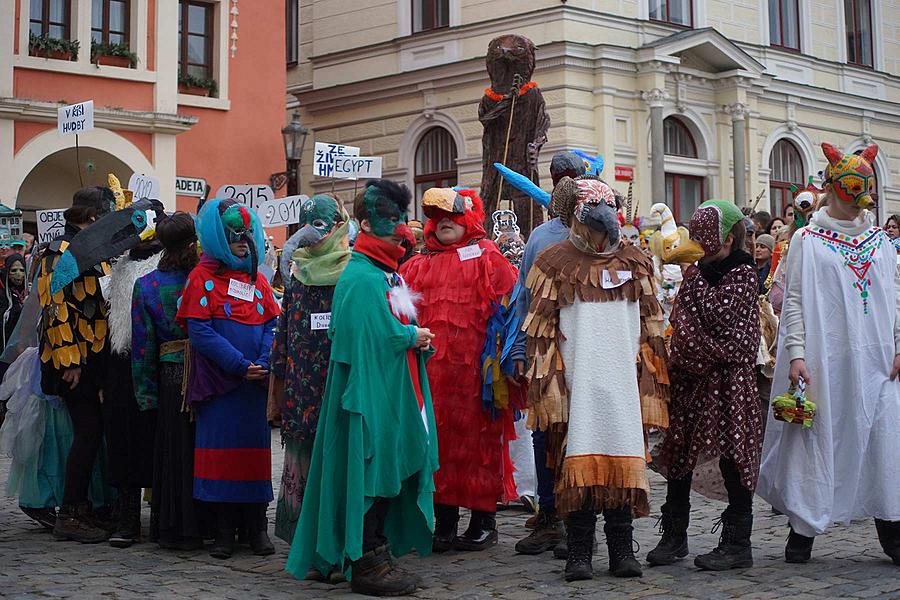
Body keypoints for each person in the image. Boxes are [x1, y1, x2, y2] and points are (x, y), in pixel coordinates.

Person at [285, 179, 438, 597]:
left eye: (399, 218)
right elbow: (360, 337)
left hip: (390, 390)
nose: (399, 228)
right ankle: (366, 558)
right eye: (388, 218)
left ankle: (376, 550)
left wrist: (413, 337)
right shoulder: (360, 277)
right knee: (369, 469)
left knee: (386, 467)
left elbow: (387, 327)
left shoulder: (382, 273)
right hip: (366, 398)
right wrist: (409, 337)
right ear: (366, 222)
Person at [758, 143, 900, 567]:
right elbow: (796, 299)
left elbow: (895, 296)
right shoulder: (807, 239)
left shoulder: (880, 240)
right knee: (817, 435)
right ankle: (803, 528)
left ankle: (891, 526)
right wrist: (797, 353)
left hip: (877, 359)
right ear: (835, 190)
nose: (859, 203)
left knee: (881, 438)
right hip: (824, 354)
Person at [524, 176, 669, 581]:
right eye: (593, 227)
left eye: (607, 228)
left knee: (623, 458)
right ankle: (579, 552)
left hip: (623, 381)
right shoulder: (555, 262)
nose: (601, 236)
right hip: (577, 381)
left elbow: (651, 325)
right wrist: (548, 382)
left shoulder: (636, 262)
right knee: (575, 462)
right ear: (576, 220)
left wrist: (650, 375)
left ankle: (622, 547)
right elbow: (542, 329)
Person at [400, 187, 518, 553]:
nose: (444, 222)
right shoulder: (419, 263)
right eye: (437, 217)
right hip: (432, 376)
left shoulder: (487, 255)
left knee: (477, 445)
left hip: (474, 378)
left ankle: (484, 520)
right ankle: (445, 520)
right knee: (440, 445)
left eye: (451, 215)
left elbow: (512, 304)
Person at [649, 199, 763, 571]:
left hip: (731, 382)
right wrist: (696, 341)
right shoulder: (698, 274)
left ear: (729, 238)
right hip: (692, 380)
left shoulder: (744, 274)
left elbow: (727, 328)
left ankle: (737, 542)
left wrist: (697, 339)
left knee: (733, 457)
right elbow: (681, 327)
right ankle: (674, 534)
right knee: (680, 455)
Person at [176, 199, 280, 559]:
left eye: (246, 235)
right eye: (233, 235)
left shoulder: (258, 281)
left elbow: (271, 322)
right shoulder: (200, 278)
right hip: (220, 385)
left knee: (254, 457)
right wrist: (238, 364)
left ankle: (256, 528)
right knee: (220, 458)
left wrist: (263, 360)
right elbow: (200, 331)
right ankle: (222, 531)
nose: (241, 241)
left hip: (254, 387)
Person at [510, 150, 585, 557]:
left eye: (572, 175)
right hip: (545, 347)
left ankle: (579, 520)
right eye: (561, 175)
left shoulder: (604, 233)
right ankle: (551, 515)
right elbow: (523, 297)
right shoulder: (540, 236)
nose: (567, 181)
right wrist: (520, 347)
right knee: (544, 432)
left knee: (580, 430)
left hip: (585, 348)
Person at [269, 195, 350, 552]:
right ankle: (310, 549)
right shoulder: (298, 272)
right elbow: (284, 336)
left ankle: (337, 547)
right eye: (310, 225)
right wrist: (278, 389)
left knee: (337, 466)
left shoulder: (352, 271)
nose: (315, 236)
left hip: (340, 387)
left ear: (338, 226)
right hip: (303, 390)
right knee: (309, 462)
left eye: (322, 226)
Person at [37, 186, 115, 543]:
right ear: (93, 218)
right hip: (72, 361)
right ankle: (70, 512)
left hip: (92, 356)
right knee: (86, 433)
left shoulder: (94, 249)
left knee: (93, 432)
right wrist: (70, 360)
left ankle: (82, 507)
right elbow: (55, 307)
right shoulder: (59, 251)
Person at [131, 212, 206, 551]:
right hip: (207, 372)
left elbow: (142, 347)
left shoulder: (146, 285)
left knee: (174, 452)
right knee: (202, 448)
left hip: (170, 373)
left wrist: (145, 395)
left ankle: (175, 527)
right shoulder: (204, 280)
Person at [103, 238, 162, 548]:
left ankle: (164, 516)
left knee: (158, 438)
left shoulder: (169, 263)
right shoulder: (121, 266)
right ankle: (127, 515)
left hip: (159, 359)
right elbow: (110, 319)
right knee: (124, 439)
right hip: (122, 360)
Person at [0, 254, 27, 349]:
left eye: (22, 270)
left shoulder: (30, 292)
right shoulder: (3, 295)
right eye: (14, 270)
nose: (18, 274)